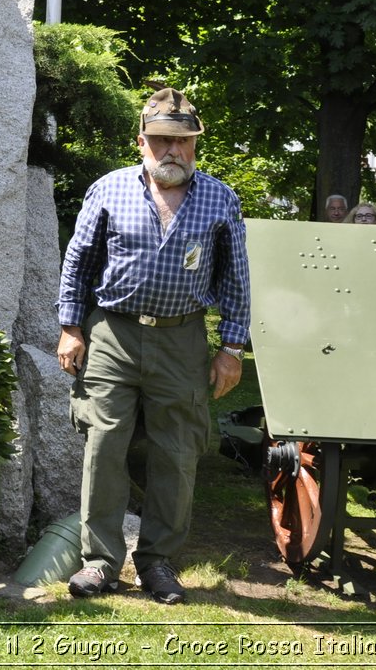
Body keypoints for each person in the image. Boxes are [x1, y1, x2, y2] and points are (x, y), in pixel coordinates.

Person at [56, 86, 250, 606]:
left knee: (177, 452)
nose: (173, 151)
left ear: (195, 146)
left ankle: (159, 563)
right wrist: (71, 327)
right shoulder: (108, 189)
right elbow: (79, 261)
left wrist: (231, 345)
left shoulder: (219, 198)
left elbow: (236, 278)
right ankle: (99, 563)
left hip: (183, 339)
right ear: (141, 141)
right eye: (162, 140)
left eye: (184, 143)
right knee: (104, 446)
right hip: (111, 334)